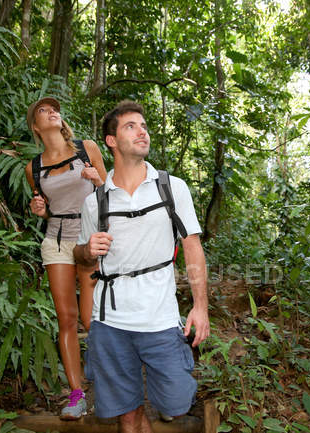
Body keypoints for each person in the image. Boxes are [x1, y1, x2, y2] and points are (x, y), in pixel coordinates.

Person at [73, 100, 209, 432]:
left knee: (176, 403)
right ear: (111, 141)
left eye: (144, 125)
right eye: (130, 126)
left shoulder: (171, 187)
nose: (142, 131)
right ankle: (133, 409)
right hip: (111, 322)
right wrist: (88, 251)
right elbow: (80, 256)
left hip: (160, 318)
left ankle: (146, 406)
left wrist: (201, 306)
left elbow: (191, 245)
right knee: (128, 415)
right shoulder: (96, 201)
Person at [24, 96, 107, 420]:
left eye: (54, 108)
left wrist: (96, 179)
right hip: (56, 242)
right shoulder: (33, 168)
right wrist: (41, 211)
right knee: (67, 319)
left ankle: (109, 385)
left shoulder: (87, 149)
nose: (52, 112)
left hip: (87, 240)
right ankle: (77, 395)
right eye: (43, 111)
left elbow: (109, 193)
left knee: (92, 319)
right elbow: (46, 208)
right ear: (36, 126)